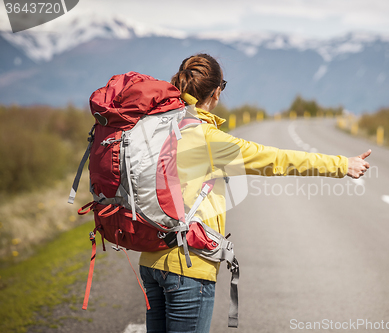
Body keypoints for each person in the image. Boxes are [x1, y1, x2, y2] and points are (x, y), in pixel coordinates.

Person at [139, 53, 371, 333]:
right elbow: (276, 159)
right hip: (189, 266)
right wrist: (342, 165)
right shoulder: (207, 139)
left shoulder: (161, 128)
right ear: (217, 91)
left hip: (151, 258)